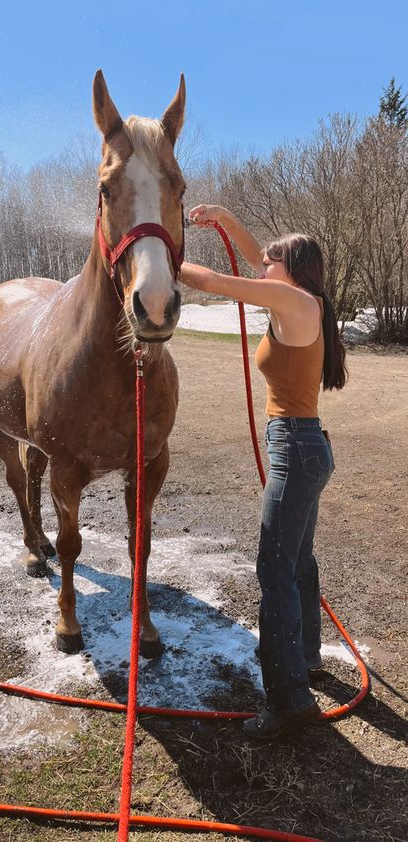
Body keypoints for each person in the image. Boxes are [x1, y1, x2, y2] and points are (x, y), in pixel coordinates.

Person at [179, 204, 348, 739]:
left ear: (291, 268)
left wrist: (156, 248)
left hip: (295, 448)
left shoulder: (291, 299)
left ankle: (289, 700)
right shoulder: (305, 299)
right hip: (306, 445)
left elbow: (210, 280)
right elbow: (254, 257)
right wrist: (224, 219)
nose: (261, 267)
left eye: (271, 262)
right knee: (297, 560)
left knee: (275, 570)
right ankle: (307, 656)